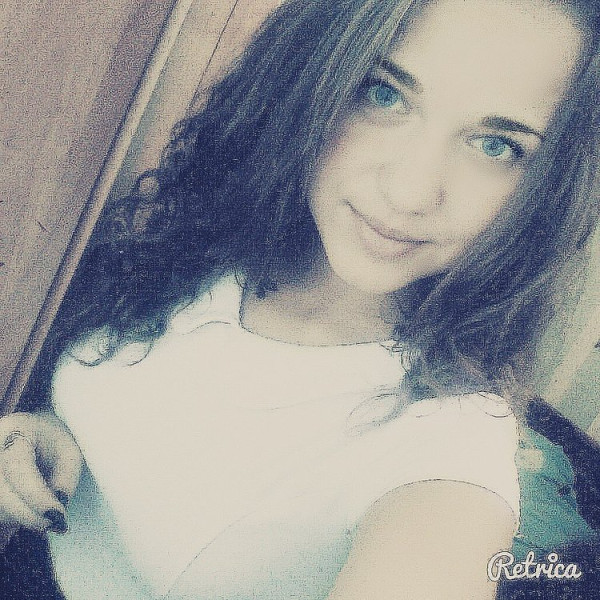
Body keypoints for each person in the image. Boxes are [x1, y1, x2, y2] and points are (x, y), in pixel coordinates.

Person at [1, 0, 599, 597]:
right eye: (382, 94)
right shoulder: (225, 242)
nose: (410, 191)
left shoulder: (448, 449)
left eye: (496, 146)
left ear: (549, 192)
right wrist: (54, 437)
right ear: (307, 76)